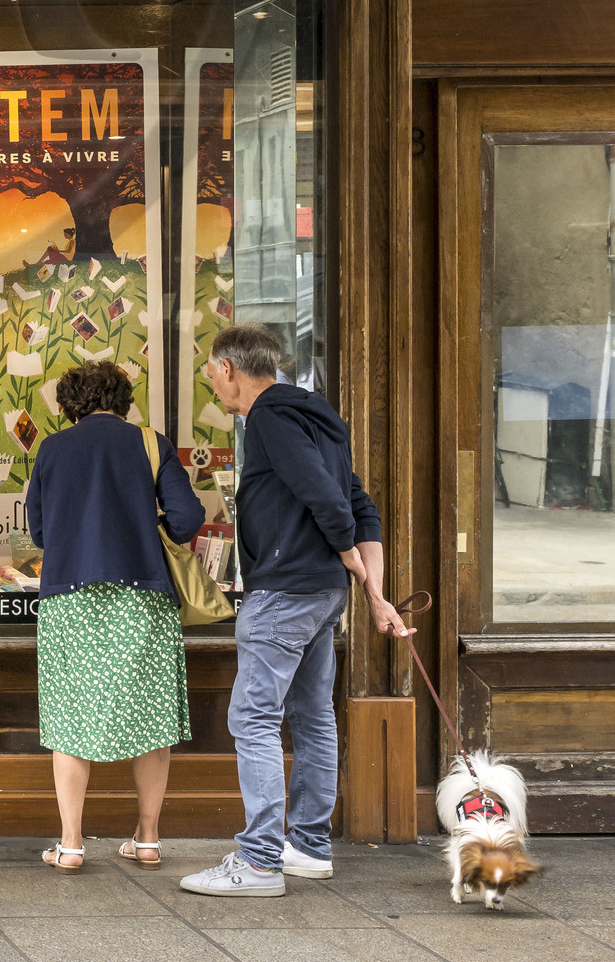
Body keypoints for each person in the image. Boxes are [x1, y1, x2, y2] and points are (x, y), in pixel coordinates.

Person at [181, 323, 409, 899]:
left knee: (253, 719)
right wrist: (370, 584)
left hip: (284, 591)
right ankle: (307, 846)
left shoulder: (269, 418)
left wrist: (349, 557)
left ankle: (259, 862)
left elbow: (332, 503)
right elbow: (362, 503)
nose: (213, 383)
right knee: (312, 716)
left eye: (212, 373)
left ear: (230, 369)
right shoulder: (319, 415)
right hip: (322, 592)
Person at [25, 359, 206, 871]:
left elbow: (39, 534)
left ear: (68, 405)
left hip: (70, 600)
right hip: (142, 597)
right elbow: (189, 518)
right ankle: (147, 839)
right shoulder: (152, 443)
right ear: (122, 400)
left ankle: (71, 844)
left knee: (69, 720)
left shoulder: (53, 449)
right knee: (150, 721)